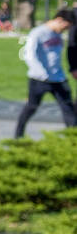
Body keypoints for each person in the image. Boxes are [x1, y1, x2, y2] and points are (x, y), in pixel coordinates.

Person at [15, 8, 77, 137]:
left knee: (68, 108)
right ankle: (18, 136)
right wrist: (41, 73)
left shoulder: (58, 35)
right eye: (66, 26)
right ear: (59, 20)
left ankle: (72, 137)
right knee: (31, 107)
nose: (65, 30)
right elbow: (30, 55)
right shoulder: (37, 33)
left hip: (58, 78)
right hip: (39, 79)